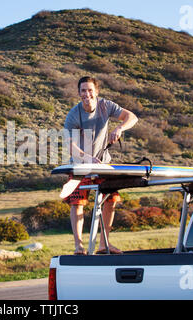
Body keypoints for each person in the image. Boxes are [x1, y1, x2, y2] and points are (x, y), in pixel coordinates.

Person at [64, 76, 138, 255]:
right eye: (83, 90)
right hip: (80, 165)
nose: (86, 94)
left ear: (96, 92)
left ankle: (104, 244)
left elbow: (132, 117)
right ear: (78, 93)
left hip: (103, 163)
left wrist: (120, 128)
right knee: (77, 203)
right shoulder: (74, 115)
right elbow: (70, 146)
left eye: (90, 90)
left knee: (110, 200)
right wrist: (87, 158)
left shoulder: (106, 105)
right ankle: (79, 246)